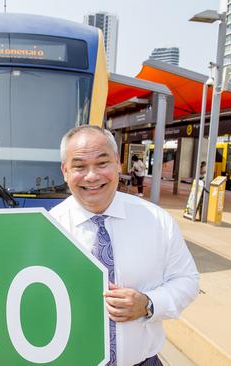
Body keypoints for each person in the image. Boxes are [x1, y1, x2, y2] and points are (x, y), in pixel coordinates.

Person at [50, 126, 199, 366]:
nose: (91, 176)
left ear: (118, 164)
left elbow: (187, 280)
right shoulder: (47, 229)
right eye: (79, 166)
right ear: (65, 171)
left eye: (102, 163)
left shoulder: (157, 221)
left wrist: (148, 303)